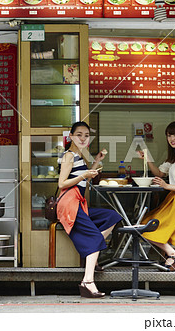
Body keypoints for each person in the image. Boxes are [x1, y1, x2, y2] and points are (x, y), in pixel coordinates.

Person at [57, 121, 121, 298]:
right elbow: (62, 183)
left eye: (86, 135)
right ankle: (87, 281)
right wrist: (84, 174)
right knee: (94, 237)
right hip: (69, 205)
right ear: (71, 136)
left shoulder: (79, 156)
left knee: (112, 217)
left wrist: (95, 163)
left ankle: (92, 255)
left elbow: (83, 180)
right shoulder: (69, 156)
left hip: (79, 204)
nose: (83, 138)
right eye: (79, 135)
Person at [138, 121, 175, 271]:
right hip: (174, 201)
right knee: (145, 225)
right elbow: (159, 173)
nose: (172, 138)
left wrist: (166, 186)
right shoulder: (174, 159)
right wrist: (147, 158)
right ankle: (172, 254)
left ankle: (172, 255)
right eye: (169, 135)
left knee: (146, 226)